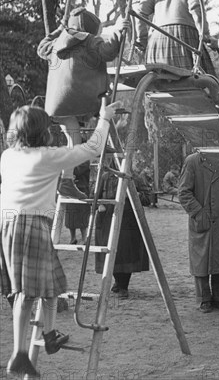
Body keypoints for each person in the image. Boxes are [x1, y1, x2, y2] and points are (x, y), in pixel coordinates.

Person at [0, 102, 118, 376]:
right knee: (28, 293)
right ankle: (19, 352)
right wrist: (104, 118)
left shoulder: (8, 156)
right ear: (43, 132)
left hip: (8, 223)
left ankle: (49, 334)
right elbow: (92, 149)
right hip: (30, 222)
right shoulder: (46, 156)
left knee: (49, 285)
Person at [37, 8, 128, 199]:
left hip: (57, 104)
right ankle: (92, 150)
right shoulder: (89, 40)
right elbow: (109, 52)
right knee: (104, 105)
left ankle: (68, 178)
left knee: (73, 137)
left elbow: (41, 47)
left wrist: (60, 27)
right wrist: (119, 30)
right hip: (81, 100)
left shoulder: (56, 41)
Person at [178, 151, 219, 313]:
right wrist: (200, 214)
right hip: (203, 221)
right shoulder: (192, 162)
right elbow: (184, 192)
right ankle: (204, 299)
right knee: (202, 261)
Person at [134, 0, 211, 71]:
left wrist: (142, 41)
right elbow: (196, 8)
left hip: (156, 45)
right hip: (184, 40)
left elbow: (140, 11)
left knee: (162, 82)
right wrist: (206, 35)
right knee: (204, 81)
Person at [95, 164, 150, 299]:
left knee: (126, 254)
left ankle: (123, 286)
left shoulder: (135, 178)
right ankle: (118, 282)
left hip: (128, 221)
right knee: (109, 252)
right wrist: (99, 203)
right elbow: (94, 195)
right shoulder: (105, 177)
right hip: (106, 220)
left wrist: (135, 194)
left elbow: (148, 199)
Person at [64, 161, 91, 244]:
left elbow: (77, 171)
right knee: (70, 215)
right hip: (71, 188)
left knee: (82, 214)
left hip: (82, 189)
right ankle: (73, 238)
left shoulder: (85, 160)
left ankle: (84, 238)